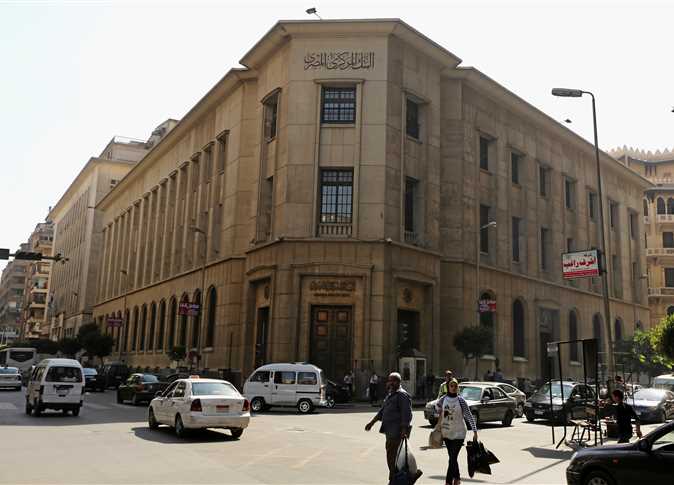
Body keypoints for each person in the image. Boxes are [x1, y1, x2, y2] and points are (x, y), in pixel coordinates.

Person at [365, 372, 418, 481]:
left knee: (395, 458)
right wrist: (372, 422)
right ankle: (395, 478)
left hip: (397, 433)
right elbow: (382, 411)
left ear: (398, 382)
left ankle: (396, 479)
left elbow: (407, 414)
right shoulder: (391, 394)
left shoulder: (402, 395)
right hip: (390, 432)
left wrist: (404, 430)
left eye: (393, 381)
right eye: (389, 381)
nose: (390, 383)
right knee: (391, 457)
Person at [435, 379, 478, 485]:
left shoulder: (461, 400)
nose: (453, 388)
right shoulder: (443, 399)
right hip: (446, 433)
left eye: (455, 386)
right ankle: (457, 478)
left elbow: (469, 415)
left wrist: (475, 431)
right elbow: (437, 406)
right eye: (451, 386)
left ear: (457, 388)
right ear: (448, 387)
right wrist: (439, 410)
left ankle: (448, 481)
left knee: (453, 457)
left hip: (459, 433)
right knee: (452, 458)